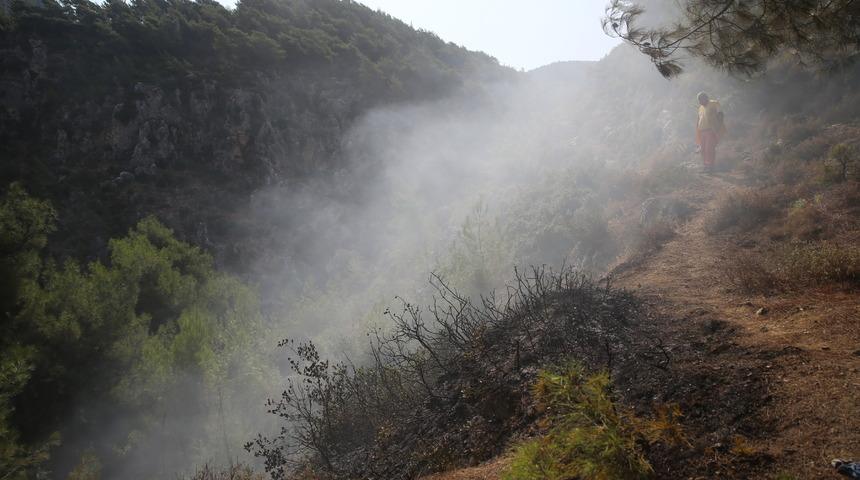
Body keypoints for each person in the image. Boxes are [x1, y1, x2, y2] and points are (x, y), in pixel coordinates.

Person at [695, 92, 726, 173]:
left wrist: (718, 127)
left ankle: (711, 167)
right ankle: (706, 166)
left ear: (705, 98)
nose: (699, 102)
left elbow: (720, 114)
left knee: (709, 148)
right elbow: (699, 119)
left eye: (700, 99)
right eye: (698, 100)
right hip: (702, 131)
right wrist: (697, 130)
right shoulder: (700, 108)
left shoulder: (714, 103)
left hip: (711, 130)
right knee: (703, 150)